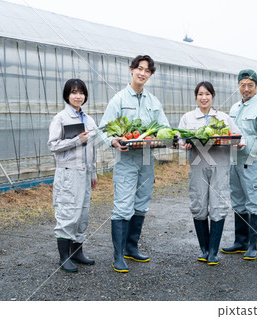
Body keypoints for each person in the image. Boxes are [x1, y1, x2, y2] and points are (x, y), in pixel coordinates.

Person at [98, 55, 170, 273]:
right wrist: (113, 140)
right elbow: (103, 129)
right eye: (139, 69)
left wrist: (168, 139)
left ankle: (131, 247)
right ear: (131, 70)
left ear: (150, 74)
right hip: (126, 159)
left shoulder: (153, 101)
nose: (143, 73)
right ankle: (118, 256)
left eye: (147, 71)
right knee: (122, 205)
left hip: (147, 159)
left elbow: (164, 127)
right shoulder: (119, 99)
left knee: (142, 203)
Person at [178, 81, 242, 265]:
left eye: (207, 94)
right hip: (198, 166)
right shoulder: (188, 118)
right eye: (200, 94)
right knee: (198, 205)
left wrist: (237, 142)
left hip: (220, 166)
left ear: (212, 96)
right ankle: (204, 250)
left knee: (218, 205)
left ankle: (213, 252)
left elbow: (237, 136)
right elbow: (180, 140)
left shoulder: (223, 117)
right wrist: (185, 144)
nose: (203, 98)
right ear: (196, 97)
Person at [221, 69, 257, 261]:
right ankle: (240, 242)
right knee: (238, 201)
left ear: (256, 87)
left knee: (254, 203)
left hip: (252, 162)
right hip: (234, 161)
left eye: (250, 85)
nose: (246, 89)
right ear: (238, 86)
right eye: (242, 85)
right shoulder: (234, 108)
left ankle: (254, 245)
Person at [47, 78, 98, 272]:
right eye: (74, 92)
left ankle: (77, 252)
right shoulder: (61, 118)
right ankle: (63, 257)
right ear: (67, 95)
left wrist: (93, 172)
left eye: (81, 92)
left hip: (84, 173)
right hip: (68, 172)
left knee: (82, 213)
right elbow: (52, 145)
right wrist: (76, 140)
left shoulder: (89, 120)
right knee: (68, 211)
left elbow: (92, 149)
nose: (78, 96)